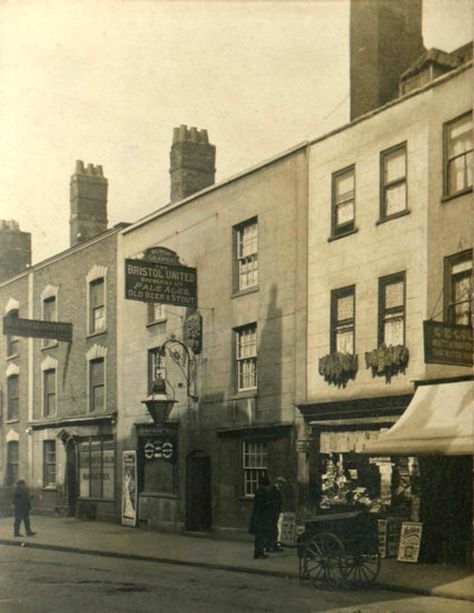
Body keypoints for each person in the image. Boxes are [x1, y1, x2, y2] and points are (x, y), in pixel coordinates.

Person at [248, 475, 271, 559]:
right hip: (260, 518)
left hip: (258, 517)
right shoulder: (261, 492)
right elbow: (262, 506)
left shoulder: (259, 492)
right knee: (260, 537)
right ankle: (258, 553)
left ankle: (259, 552)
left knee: (260, 537)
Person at [267, 476, 286, 552]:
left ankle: (274, 546)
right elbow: (271, 502)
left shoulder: (278, 490)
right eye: (281, 484)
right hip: (272, 513)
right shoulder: (272, 490)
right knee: (271, 530)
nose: (282, 486)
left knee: (275, 530)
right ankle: (270, 547)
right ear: (278, 483)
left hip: (276, 513)